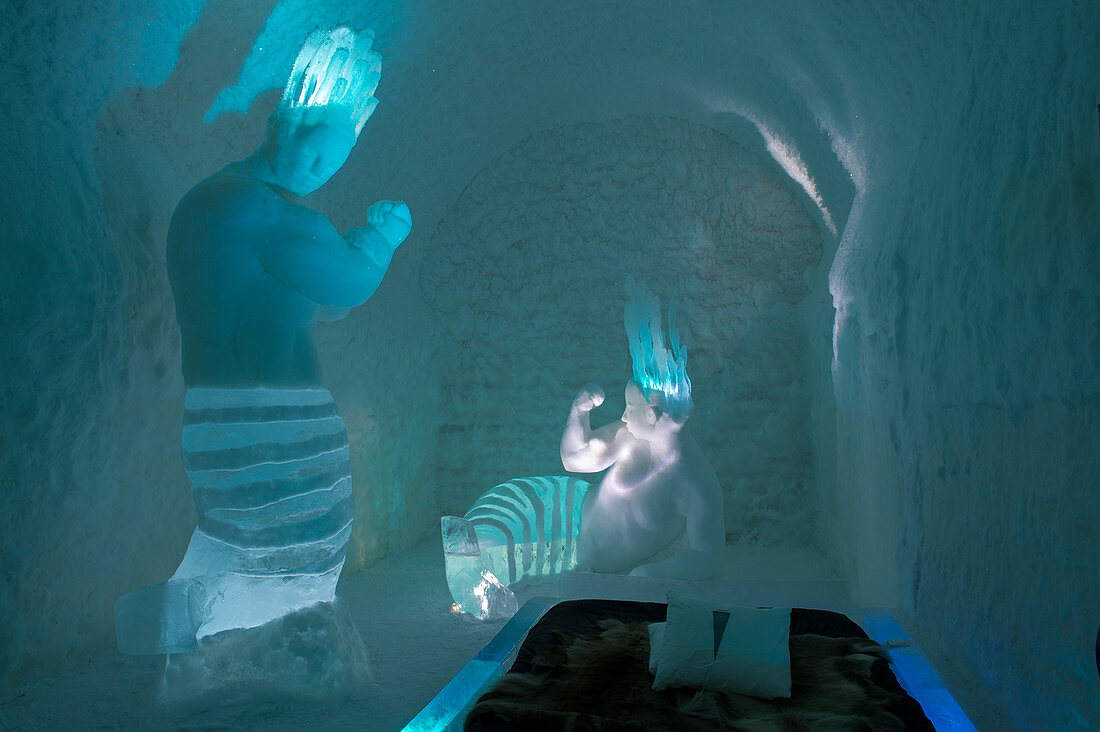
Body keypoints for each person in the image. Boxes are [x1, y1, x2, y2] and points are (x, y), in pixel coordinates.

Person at [115, 26, 411, 654]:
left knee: (244, 536)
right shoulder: (263, 212)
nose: (315, 170)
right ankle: (239, 650)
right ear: (281, 123)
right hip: (278, 421)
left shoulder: (207, 202)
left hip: (218, 418)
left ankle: (206, 637)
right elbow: (346, 283)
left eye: (331, 161)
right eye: (312, 150)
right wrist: (380, 241)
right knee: (296, 545)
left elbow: (304, 301)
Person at [562, 379, 725, 580]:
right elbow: (575, 459)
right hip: (560, 523)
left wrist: (649, 574)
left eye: (630, 408)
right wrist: (579, 410)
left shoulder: (696, 482)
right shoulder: (630, 434)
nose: (624, 416)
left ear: (651, 415)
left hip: (600, 578)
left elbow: (707, 556)